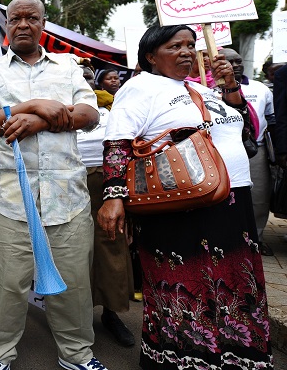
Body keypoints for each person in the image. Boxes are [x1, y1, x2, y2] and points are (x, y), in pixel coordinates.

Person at [98, 25, 272, 370]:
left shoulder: (201, 89)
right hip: (180, 206)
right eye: (174, 46)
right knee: (185, 285)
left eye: (191, 45)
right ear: (150, 55)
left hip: (232, 202)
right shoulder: (140, 88)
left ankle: (235, 357)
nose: (186, 51)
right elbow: (117, 143)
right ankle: (183, 359)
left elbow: (248, 136)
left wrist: (231, 90)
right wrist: (114, 196)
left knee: (235, 284)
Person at [0, 0, 106, 370]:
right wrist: (28, 107)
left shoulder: (68, 67)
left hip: (67, 197)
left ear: (43, 24)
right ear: (7, 26)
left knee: (74, 284)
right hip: (7, 199)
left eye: (32, 18)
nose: (24, 24)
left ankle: (77, 355)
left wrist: (41, 121)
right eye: (16, 18)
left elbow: (89, 113)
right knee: (5, 285)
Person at [76, 64, 134, 348]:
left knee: (111, 248)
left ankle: (111, 315)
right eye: (78, 77)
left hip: (106, 185)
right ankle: (75, 319)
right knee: (73, 253)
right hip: (68, 186)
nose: (84, 81)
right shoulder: (60, 112)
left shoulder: (114, 110)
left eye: (89, 76)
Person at [221, 48, 275, 256]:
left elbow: (272, 119)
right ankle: (228, 239)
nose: (235, 65)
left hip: (255, 149)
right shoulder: (208, 88)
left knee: (259, 196)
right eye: (229, 61)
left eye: (238, 61)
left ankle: (257, 239)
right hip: (223, 151)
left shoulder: (260, 88)